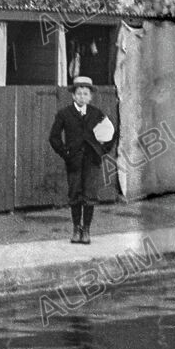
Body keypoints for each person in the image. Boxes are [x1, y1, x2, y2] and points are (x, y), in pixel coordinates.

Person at [48, 75, 115, 244]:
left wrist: (102, 151)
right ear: (73, 95)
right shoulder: (64, 114)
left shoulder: (96, 113)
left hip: (92, 161)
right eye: (79, 93)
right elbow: (54, 137)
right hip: (74, 162)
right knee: (75, 194)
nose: (82, 97)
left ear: (90, 96)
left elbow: (110, 133)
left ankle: (86, 230)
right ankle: (76, 229)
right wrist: (66, 153)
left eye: (85, 94)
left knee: (90, 195)